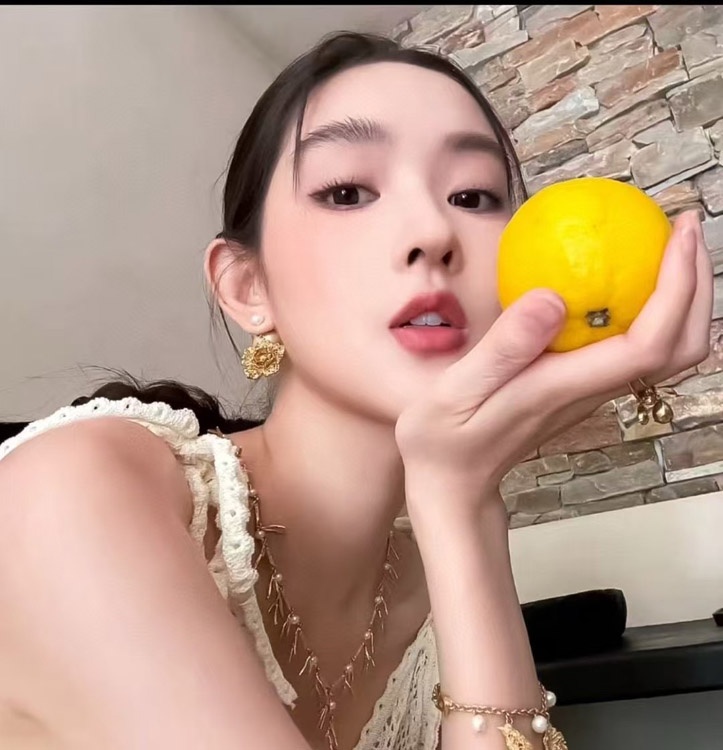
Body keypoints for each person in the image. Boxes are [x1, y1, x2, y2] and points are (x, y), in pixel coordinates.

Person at [0, 30, 712, 750]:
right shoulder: (76, 489)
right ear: (247, 287)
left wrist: (463, 502)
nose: (433, 231)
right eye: (347, 192)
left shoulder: (428, 582)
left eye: (472, 195)